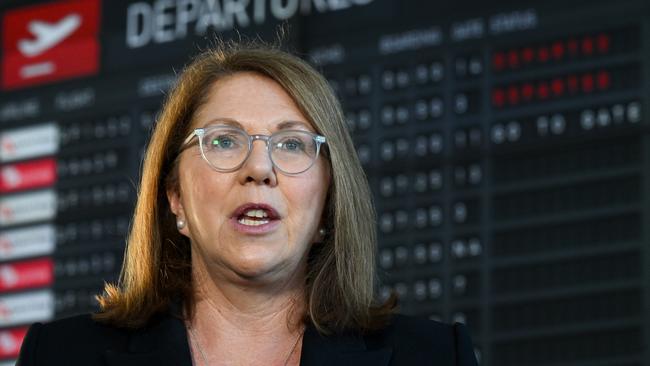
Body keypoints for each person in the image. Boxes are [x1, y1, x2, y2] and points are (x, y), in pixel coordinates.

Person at [17, 40, 479, 366]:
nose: (259, 168)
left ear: (328, 202)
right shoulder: (58, 355)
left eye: (293, 144)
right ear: (174, 195)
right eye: (223, 140)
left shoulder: (437, 356)